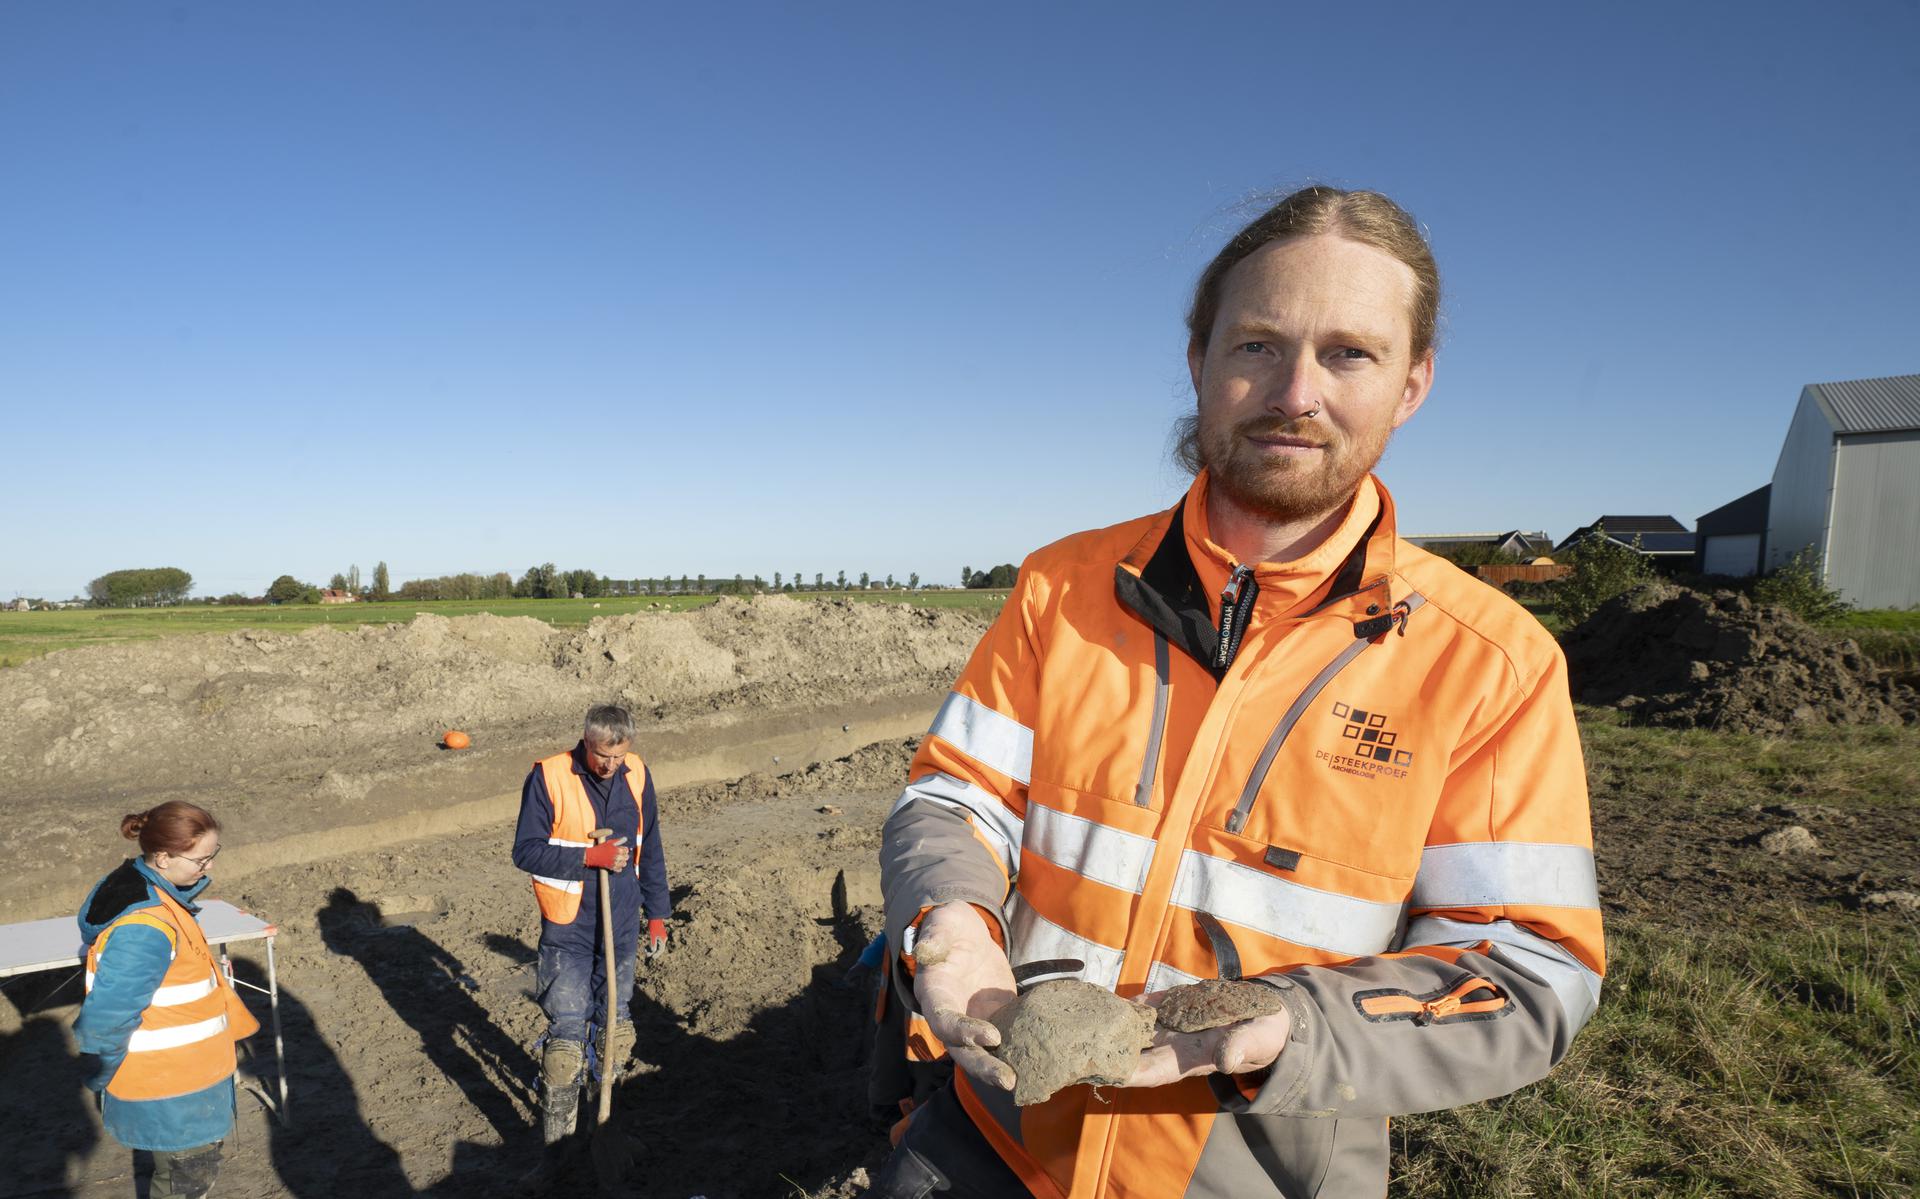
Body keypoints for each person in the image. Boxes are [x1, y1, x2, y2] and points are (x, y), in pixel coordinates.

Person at [876, 186, 1604, 1196]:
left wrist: (1293, 1029)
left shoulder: (1492, 664)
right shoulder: (1062, 588)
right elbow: (955, 797)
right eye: (1258, 344)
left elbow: (1526, 969)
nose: (1295, 391)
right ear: (1200, 360)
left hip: (1259, 1171)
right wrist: (954, 926)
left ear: (1414, 382)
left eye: (1350, 352)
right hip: (990, 1143)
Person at [75, 801, 260, 1199]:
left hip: (181, 1078)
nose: (208, 867)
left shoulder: (152, 895)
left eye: (213, 855)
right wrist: (102, 1074)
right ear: (162, 857)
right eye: (200, 859)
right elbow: (109, 1014)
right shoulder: (145, 926)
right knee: (185, 1180)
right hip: (174, 1086)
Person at [511, 702, 670, 1148]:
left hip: (620, 923)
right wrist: (587, 857)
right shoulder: (550, 777)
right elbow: (525, 851)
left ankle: (605, 1135)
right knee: (564, 1046)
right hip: (568, 927)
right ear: (586, 742)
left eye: (619, 756)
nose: (611, 765)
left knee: (615, 1034)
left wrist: (656, 914)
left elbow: (650, 845)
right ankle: (558, 1148)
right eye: (604, 755)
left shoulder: (637, 774)